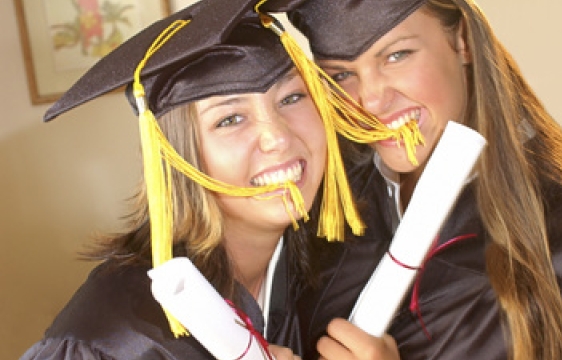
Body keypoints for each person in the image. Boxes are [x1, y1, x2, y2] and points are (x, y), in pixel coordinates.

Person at [286, 0, 562, 359]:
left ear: (463, 42)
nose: (371, 101)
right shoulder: (317, 216)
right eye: (342, 74)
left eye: (397, 55)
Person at [19, 0, 373, 359]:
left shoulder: (332, 268)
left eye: (292, 97)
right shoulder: (111, 339)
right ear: (178, 157)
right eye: (230, 119)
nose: (277, 137)